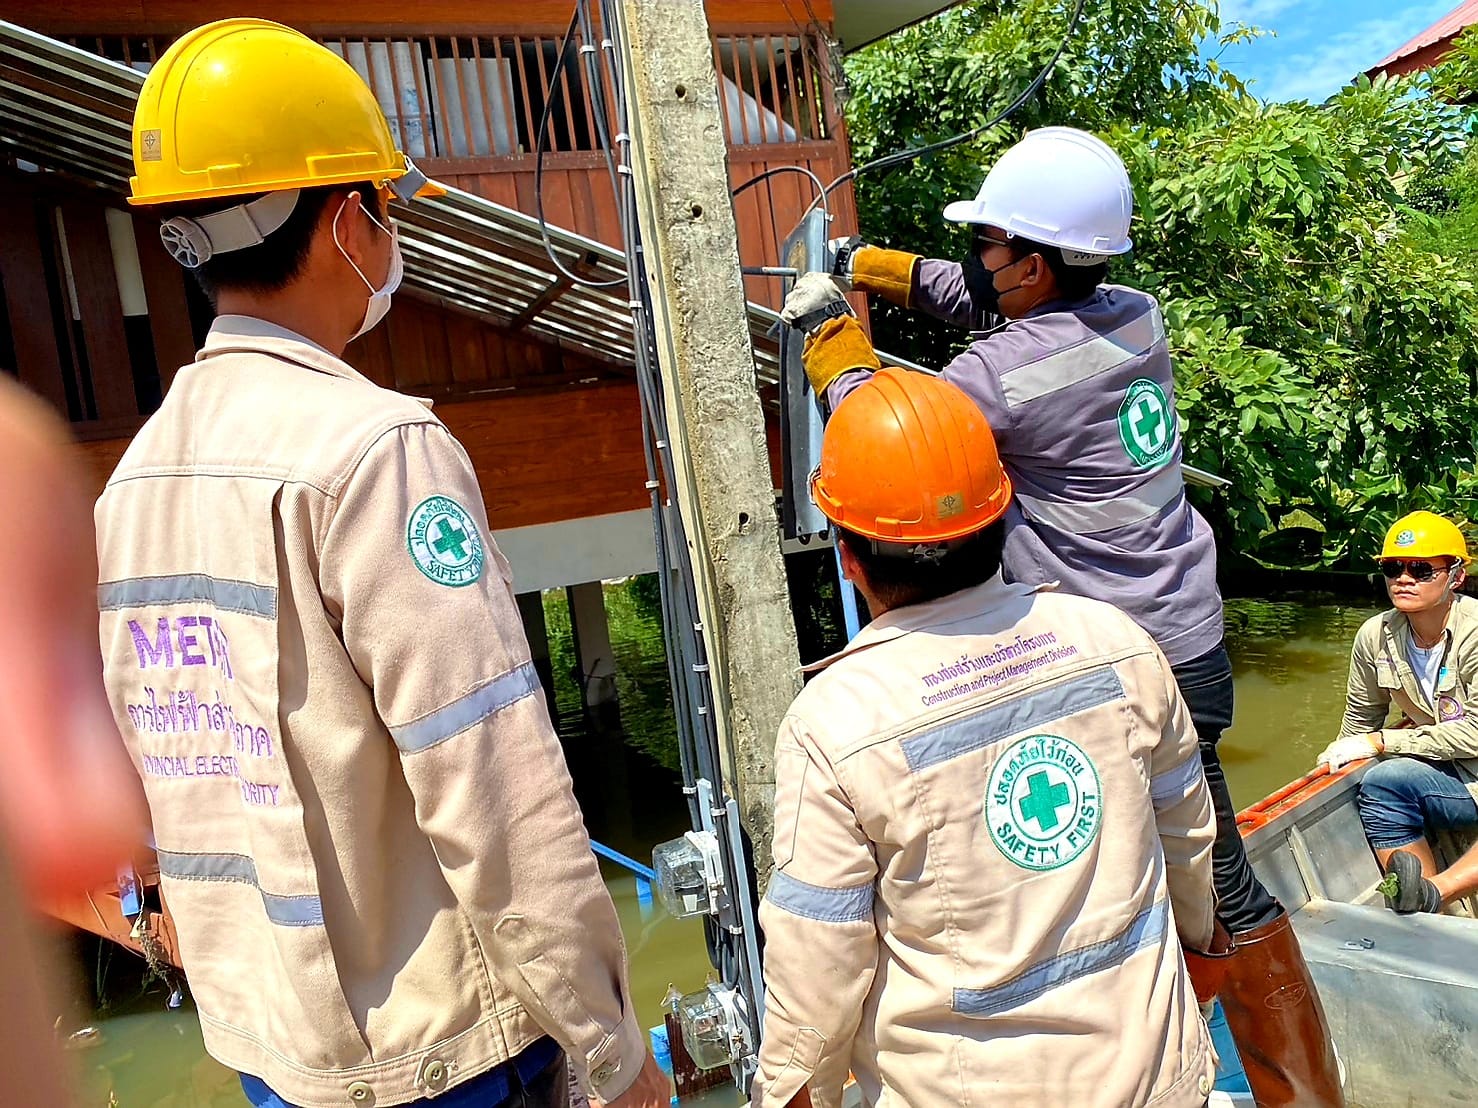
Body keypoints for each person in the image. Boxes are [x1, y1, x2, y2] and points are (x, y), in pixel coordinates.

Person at [95, 19, 667, 1108]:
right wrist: (609, 1045)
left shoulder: (135, 483)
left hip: (280, 1058)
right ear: (350, 221)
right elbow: (490, 781)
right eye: (386, 210)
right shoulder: (375, 453)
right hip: (445, 1061)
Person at [779, 125, 1342, 1104]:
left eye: (989, 244)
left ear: (1033, 264)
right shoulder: (1135, 314)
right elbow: (995, 298)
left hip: (1119, 664)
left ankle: (1290, 1090)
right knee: (1175, 867)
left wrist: (838, 355)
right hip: (1188, 637)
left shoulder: (994, 382)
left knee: (1214, 893)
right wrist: (894, 272)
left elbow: (907, 430)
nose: (976, 262)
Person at [750, 366, 1221, 1108]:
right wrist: (1197, 943)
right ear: (1002, 516)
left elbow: (819, 963)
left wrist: (788, 1090)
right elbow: (1190, 844)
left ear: (847, 556)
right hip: (1155, 1080)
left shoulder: (837, 719)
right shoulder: (1117, 642)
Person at [1317, 510, 1478, 915]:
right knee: (1382, 782)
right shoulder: (1375, 636)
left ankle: (1433, 893)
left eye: (1421, 569)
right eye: (1393, 568)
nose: (1403, 578)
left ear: (1456, 576)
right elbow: (1359, 721)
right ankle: (1423, 912)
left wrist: (1381, 741)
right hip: (1455, 772)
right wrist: (1332, 762)